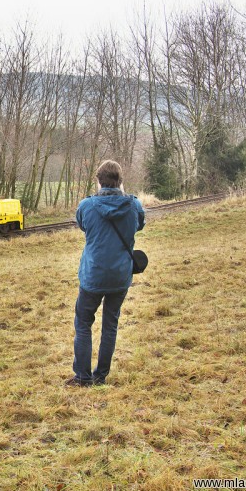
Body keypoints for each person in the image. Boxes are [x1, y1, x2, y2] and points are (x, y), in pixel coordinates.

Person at [67, 160, 145, 387]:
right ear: (120, 181)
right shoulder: (134, 206)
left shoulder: (86, 206)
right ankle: (101, 376)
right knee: (110, 324)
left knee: (83, 323)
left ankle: (82, 377)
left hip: (93, 276)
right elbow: (139, 225)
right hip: (120, 275)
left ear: (98, 181)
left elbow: (83, 225)